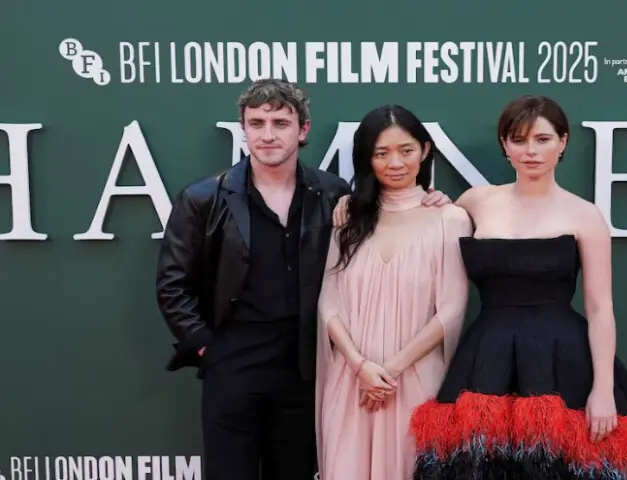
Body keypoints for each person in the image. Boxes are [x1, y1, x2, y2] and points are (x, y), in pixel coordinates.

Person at [333, 95, 627, 479]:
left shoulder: (585, 215)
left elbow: (600, 308)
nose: (531, 151)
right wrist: (352, 206)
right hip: (487, 358)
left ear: (563, 142)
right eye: (519, 140)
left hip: (563, 361)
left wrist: (602, 388)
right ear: (505, 145)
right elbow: (414, 222)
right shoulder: (475, 202)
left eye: (542, 139)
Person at [154, 79, 451, 480]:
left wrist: (435, 199)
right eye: (256, 123)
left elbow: (391, 216)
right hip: (233, 363)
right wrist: (209, 349)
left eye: (280, 122)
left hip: (307, 368)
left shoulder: (332, 195)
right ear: (243, 128)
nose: (268, 134)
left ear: (303, 129)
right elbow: (173, 285)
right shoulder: (204, 197)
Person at [315, 105, 473, 480]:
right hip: (351, 381)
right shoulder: (347, 219)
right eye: (381, 153)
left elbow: (451, 310)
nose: (395, 162)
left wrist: (389, 372)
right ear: (367, 160)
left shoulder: (450, 219)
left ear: (425, 150)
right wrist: (360, 366)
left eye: (405, 150)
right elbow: (328, 302)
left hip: (416, 381)